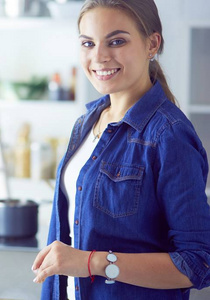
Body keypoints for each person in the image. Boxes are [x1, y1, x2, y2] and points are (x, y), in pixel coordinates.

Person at [31, 0, 210, 299]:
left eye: (116, 41)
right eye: (88, 43)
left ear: (152, 43)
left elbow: (198, 262)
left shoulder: (169, 136)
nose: (99, 56)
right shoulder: (86, 123)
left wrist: (92, 262)